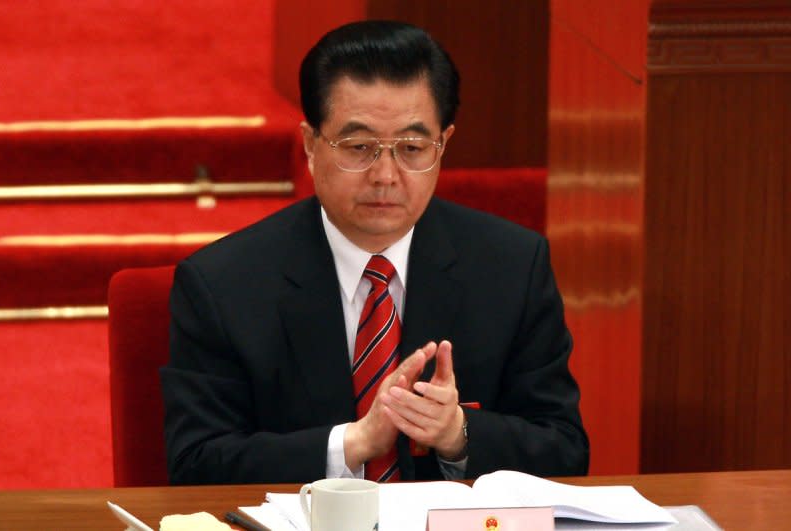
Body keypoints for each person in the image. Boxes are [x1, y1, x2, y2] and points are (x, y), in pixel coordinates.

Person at [161, 20, 588, 485]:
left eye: (411, 147)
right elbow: (195, 463)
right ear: (310, 144)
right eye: (359, 147)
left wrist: (458, 433)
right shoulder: (223, 284)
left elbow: (565, 450)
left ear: (443, 145)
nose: (385, 175)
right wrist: (352, 445)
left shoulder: (512, 267)